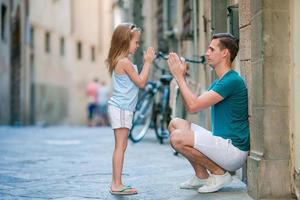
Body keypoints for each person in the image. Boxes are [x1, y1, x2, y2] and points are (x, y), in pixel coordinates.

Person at [167, 33, 250, 193]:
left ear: (225, 53)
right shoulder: (219, 82)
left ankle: (220, 174)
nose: (207, 53)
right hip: (221, 143)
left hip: (233, 151)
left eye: (212, 49)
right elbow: (191, 105)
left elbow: (193, 107)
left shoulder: (232, 80)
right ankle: (201, 176)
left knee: (177, 138)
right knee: (175, 123)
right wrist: (181, 77)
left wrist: (179, 77)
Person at [106, 23, 155, 195]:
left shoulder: (122, 61)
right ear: (125, 41)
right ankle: (116, 184)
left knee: (122, 145)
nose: (138, 45)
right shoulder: (124, 62)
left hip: (122, 108)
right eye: (136, 42)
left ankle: (116, 182)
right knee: (120, 146)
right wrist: (148, 62)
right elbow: (141, 83)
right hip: (121, 108)